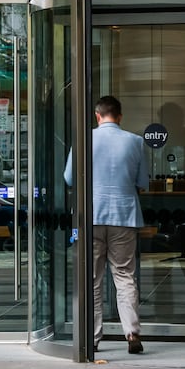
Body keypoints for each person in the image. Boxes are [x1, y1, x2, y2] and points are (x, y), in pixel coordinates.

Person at [64, 95, 149, 354]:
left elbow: (69, 178)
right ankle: (132, 332)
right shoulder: (135, 142)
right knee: (124, 275)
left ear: (97, 115)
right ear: (120, 116)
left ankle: (92, 338)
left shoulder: (84, 139)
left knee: (92, 278)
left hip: (91, 216)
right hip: (124, 216)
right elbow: (143, 181)